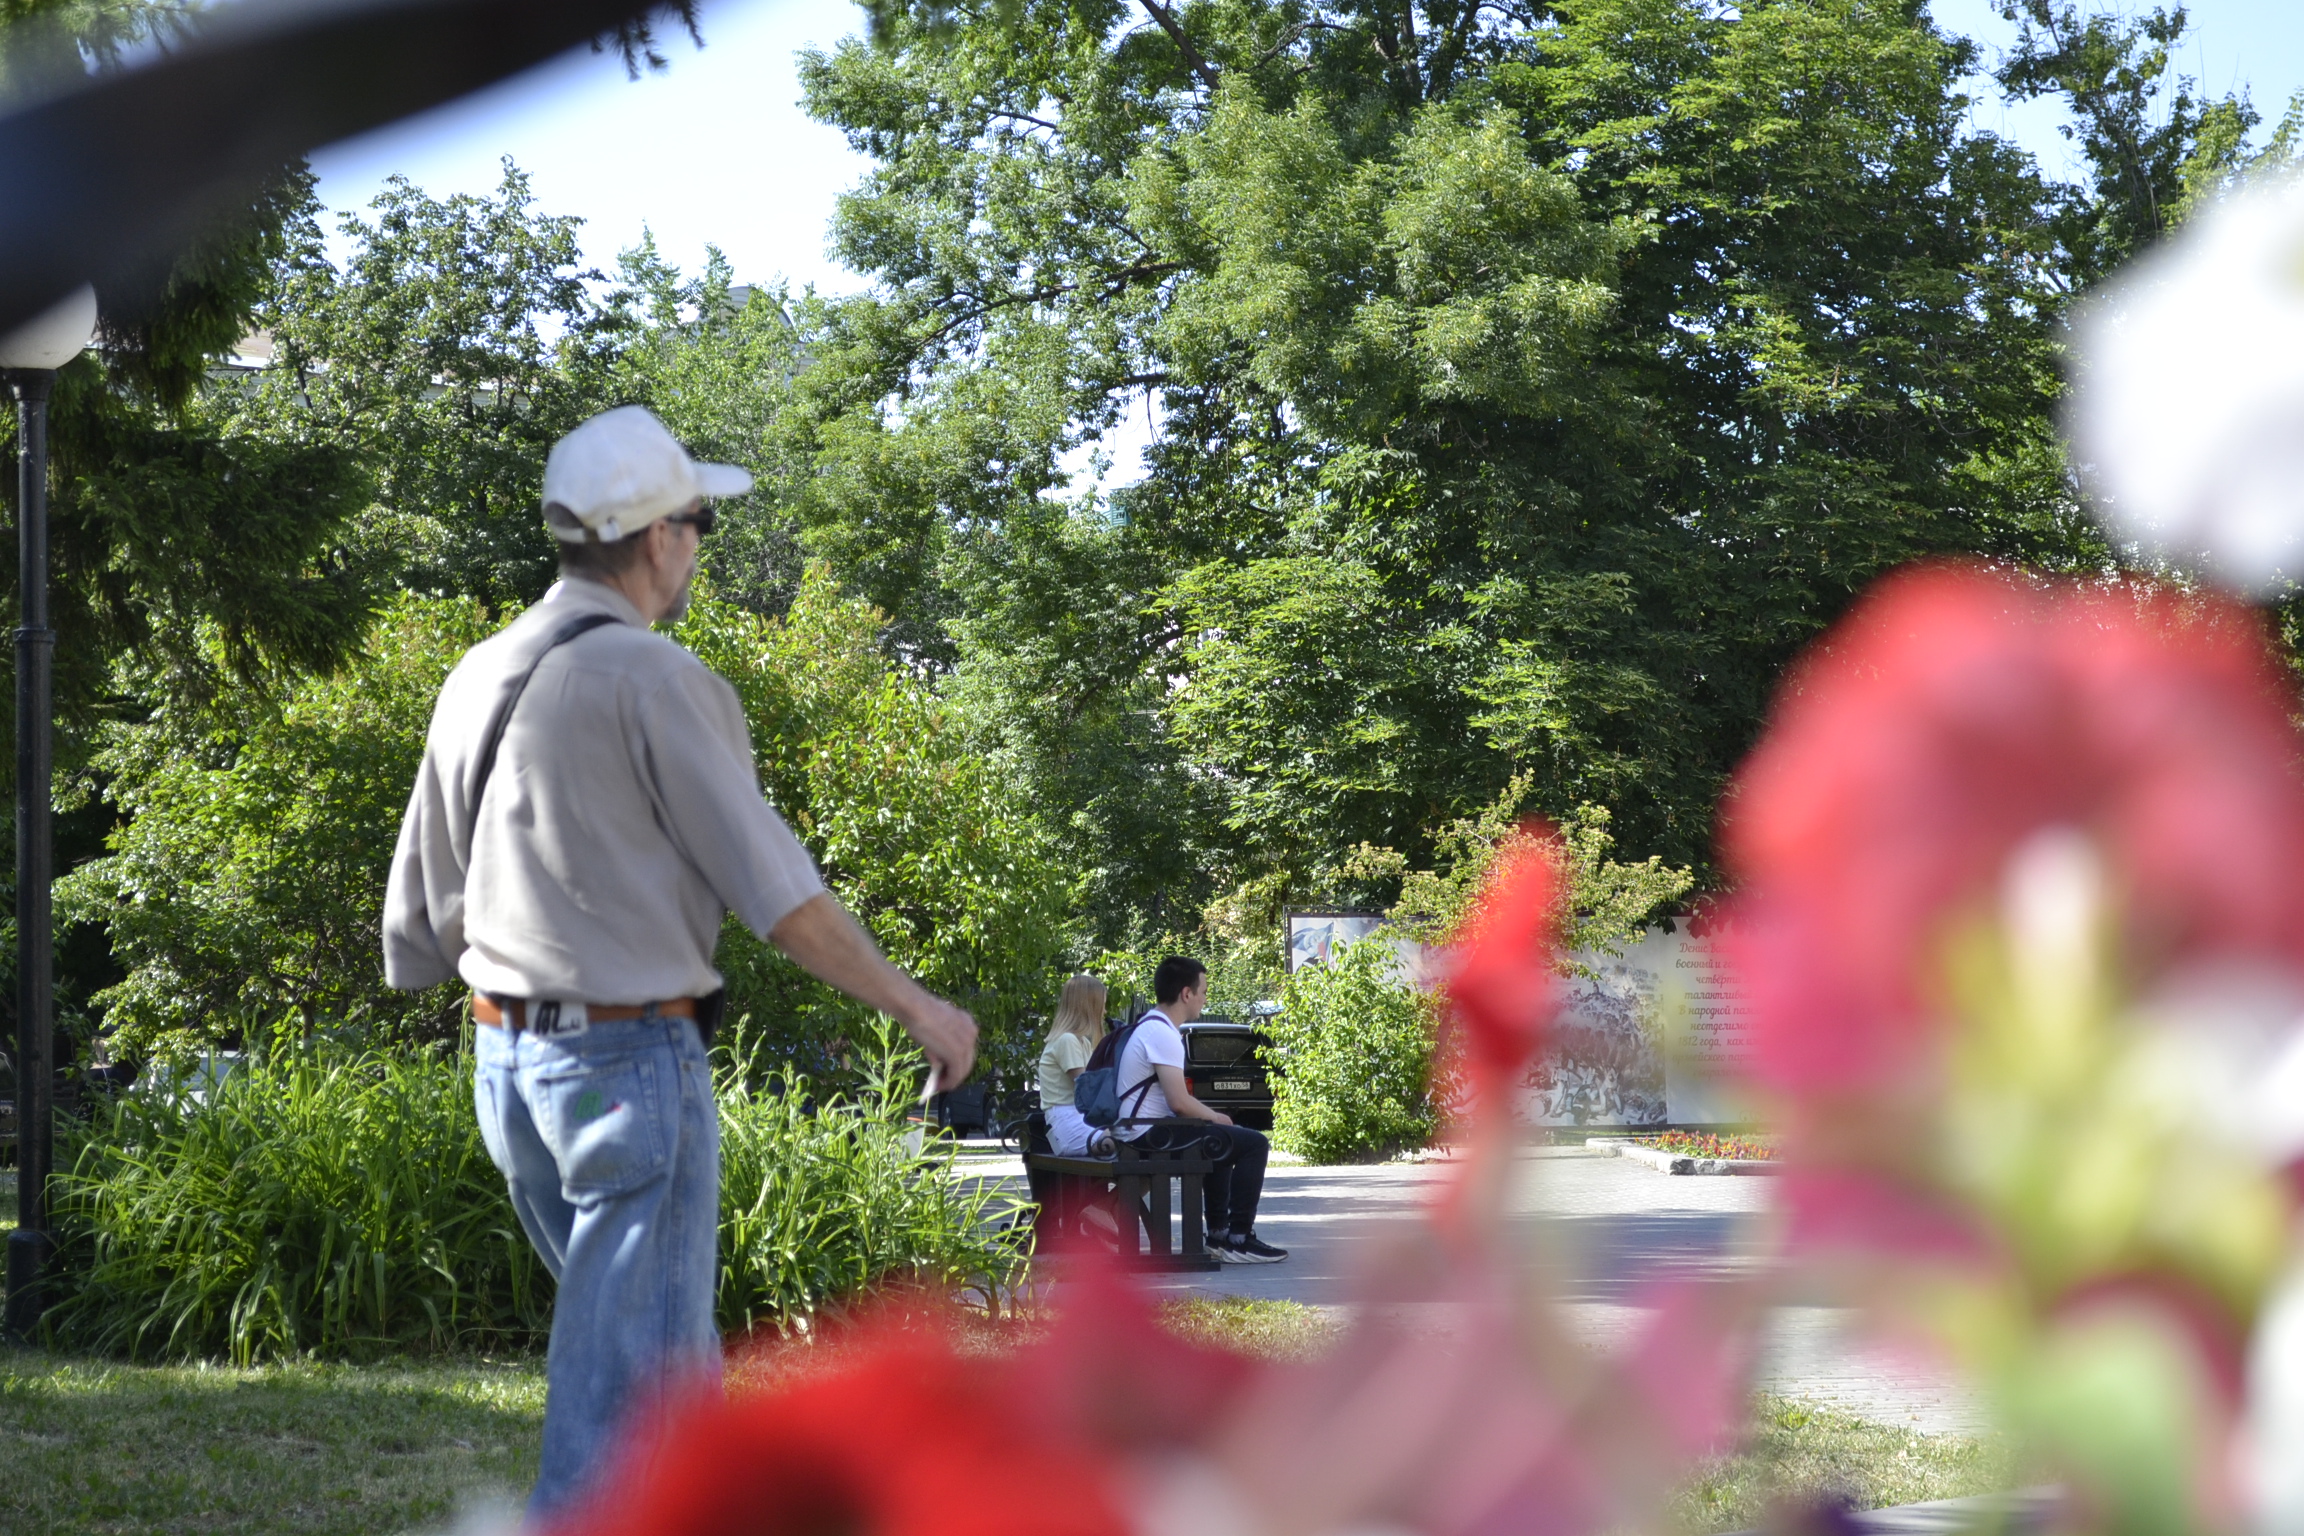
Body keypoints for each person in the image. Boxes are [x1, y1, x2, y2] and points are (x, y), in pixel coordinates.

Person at [381, 404, 977, 1522]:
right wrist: (919, 1008)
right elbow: (779, 893)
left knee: (657, 1349)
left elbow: (425, 899)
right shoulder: (655, 681)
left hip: (506, 1063)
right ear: (656, 536)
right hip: (626, 1061)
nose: (702, 542)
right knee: (627, 1391)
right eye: (700, 520)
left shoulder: (479, 671)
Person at [1114, 956, 1287, 1264]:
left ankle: (1220, 1236)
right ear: (1186, 994)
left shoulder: (1151, 1025)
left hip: (1141, 1128)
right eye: (1204, 992)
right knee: (1254, 1143)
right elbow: (1180, 1103)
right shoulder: (1163, 1034)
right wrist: (1216, 1116)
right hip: (1148, 1134)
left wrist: (1213, 1120)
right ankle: (1239, 1238)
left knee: (1217, 1139)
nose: (1205, 1000)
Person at [1036, 974, 1111, 1157]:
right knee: (1130, 1143)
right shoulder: (1067, 1040)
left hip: (1078, 1119)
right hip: (1067, 1122)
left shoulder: (1082, 1042)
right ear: (1089, 1006)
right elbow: (1087, 1089)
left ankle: (1113, 1188)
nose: (1105, 1012)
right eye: (1102, 1005)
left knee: (1141, 1147)